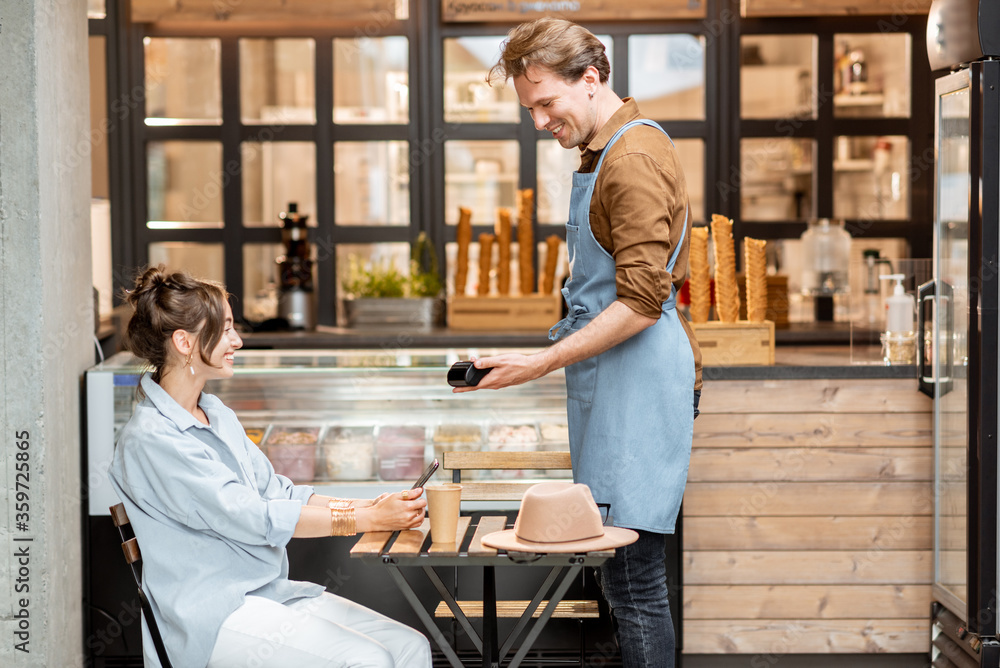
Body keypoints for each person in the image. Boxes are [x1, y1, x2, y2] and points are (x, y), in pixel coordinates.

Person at [459, 18, 703, 668]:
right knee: (622, 577)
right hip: (616, 387)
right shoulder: (604, 153)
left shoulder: (632, 159)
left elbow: (643, 302)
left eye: (546, 103)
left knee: (635, 580)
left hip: (639, 388)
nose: (539, 120)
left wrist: (538, 362)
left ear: (591, 79)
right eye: (530, 106)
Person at [108, 265, 432, 668]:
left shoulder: (215, 413)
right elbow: (255, 518)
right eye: (225, 329)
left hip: (266, 593)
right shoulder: (153, 440)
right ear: (184, 341)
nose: (237, 341)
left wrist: (372, 506)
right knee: (367, 659)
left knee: (410, 647)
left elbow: (279, 493)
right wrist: (365, 518)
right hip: (212, 616)